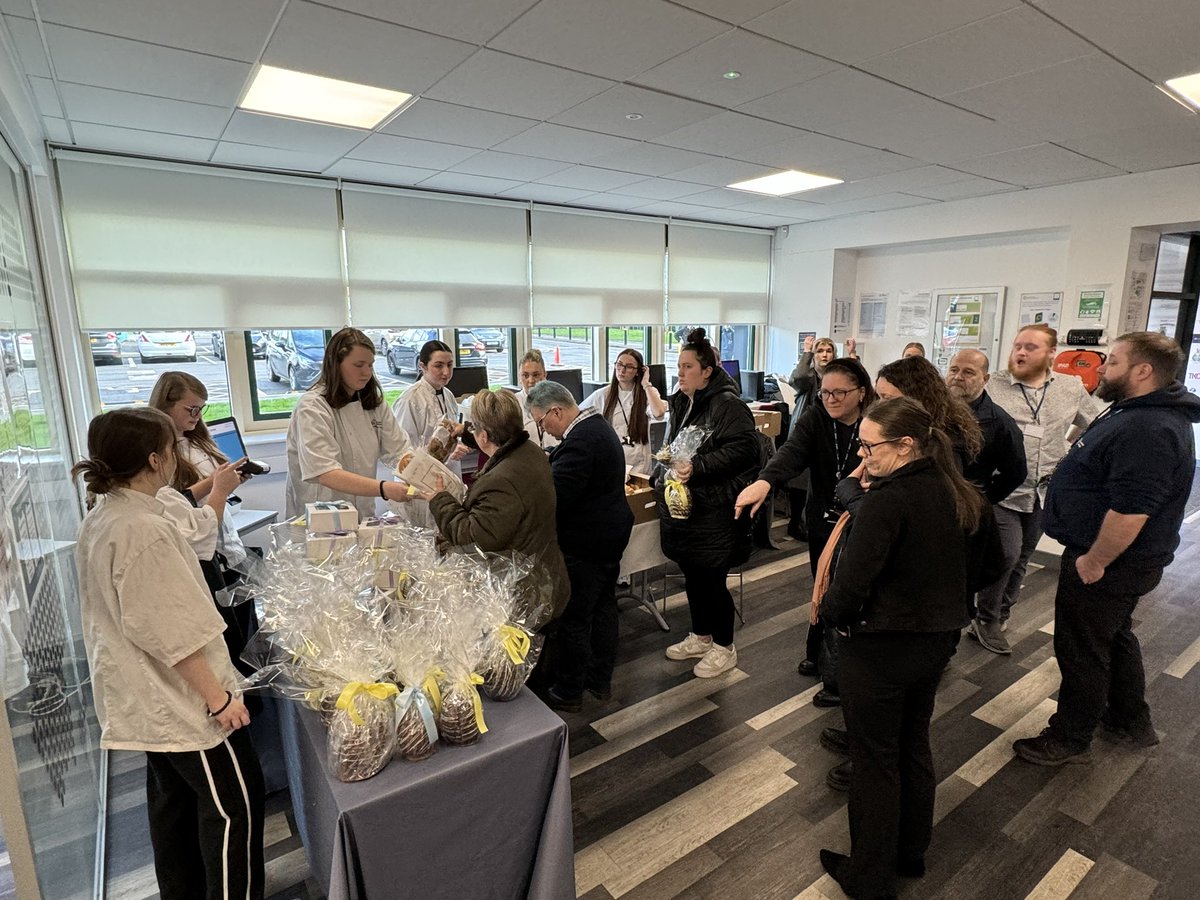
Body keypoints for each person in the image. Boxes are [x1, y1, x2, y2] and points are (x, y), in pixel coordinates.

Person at [73, 407, 264, 900]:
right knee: (232, 811)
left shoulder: (110, 515)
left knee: (173, 810)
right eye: (172, 449)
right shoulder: (141, 531)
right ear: (155, 458)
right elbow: (169, 632)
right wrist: (219, 699)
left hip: (149, 700)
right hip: (184, 704)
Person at [816, 397, 996, 900]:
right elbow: (991, 565)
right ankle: (911, 852)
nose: (863, 455)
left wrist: (833, 618)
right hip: (935, 642)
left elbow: (848, 589)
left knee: (874, 762)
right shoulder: (964, 493)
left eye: (870, 446)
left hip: (879, 649)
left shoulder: (888, 502)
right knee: (913, 744)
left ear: (906, 445)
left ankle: (869, 877)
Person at [1014, 333, 1200, 766]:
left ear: (1142, 371)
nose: (1100, 369)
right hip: (1115, 560)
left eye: (1111, 362)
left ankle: (1071, 737)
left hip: (1110, 562)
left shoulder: (1149, 428)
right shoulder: (1138, 412)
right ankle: (1128, 717)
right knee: (1113, 638)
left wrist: (1095, 561)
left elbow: (1131, 510)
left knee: (1081, 649)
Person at [735, 358, 876, 693]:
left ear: (861, 393)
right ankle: (816, 651)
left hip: (861, 522)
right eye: (825, 393)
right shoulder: (815, 419)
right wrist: (766, 481)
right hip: (822, 518)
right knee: (822, 586)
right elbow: (792, 453)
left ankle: (837, 669)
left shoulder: (875, 424)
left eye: (839, 393)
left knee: (848, 593)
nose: (831, 399)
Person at [972, 324, 1102, 654]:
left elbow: (1097, 421)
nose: (1021, 352)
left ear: (1050, 354)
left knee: (1023, 556)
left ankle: (1001, 614)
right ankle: (985, 618)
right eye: (1018, 345)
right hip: (1003, 487)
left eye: (1031, 347)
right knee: (1006, 554)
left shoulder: (1070, 387)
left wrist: (1074, 447)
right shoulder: (995, 385)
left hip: (1044, 489)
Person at [659, 329, 761, 680]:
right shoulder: (684, 401)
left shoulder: (727, 404)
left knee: (712, 580)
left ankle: (724, 646)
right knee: (693, 575)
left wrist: (698, 467)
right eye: (679, 366)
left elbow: (747, 450)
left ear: (708, 370)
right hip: (690, 508)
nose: (680, 373)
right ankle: (701, 636)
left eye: (688, 367)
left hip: (716, 509)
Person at [527, 380, 633, 711]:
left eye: (542, 423)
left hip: (586, 542)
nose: (545, 430)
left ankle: (568, 690)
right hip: (609, 536)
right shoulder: (596, 426)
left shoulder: (580, 443)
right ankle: (599, 680)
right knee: (603, 607)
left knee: (575, 618)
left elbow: (557, 499)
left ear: (556, 411)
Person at [421, 389, 570, 618]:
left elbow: (471, 537)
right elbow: (501, 444)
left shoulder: (500, 482)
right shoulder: (531, 451)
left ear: (484, 436)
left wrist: (440, 499)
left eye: (474, 428)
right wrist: (466, 434)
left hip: (522, 595)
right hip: (545, 575)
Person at [285, 327, 415, 521]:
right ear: (335, 364)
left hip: (361, 513)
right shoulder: (312, 407)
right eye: (359, 365)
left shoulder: (373, 404)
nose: (366, 373)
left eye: (370, 365)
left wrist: (423, 471)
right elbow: (326, 472)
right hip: (320, 518)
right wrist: (384, 488)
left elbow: (400, 450)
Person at [149, 371, 250, 569]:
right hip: (200, 552)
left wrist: (229, 482)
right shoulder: (160, 453)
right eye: (192, 409)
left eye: (201, 409)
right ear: (166, 405)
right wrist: (216, 484)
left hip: (226, 544)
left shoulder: (197, 440)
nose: (198, 416)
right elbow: (174, 503)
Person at [392, 339, 470, 528]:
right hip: (420, 482)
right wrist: (434, 452)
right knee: (423, 538)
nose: (446, 372)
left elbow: (448, 435)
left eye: (450, 365)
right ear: (422, 366)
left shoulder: (448, 395)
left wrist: (454, 448)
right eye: (438, 366)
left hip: (446, 477)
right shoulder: (410, 399)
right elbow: (402, 451)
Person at [944, 349, 1027, 505]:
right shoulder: (930, 409)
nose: (957, 377)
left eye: (968, 372)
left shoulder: (999, 423)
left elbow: (1016, 473)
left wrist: (982, 500)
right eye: (954, 370)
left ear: (985, 379)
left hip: (965, 509)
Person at [875, 355, 983, 470]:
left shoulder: (943, 446)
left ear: (915, 398)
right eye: (878, 397)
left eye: (887, 398)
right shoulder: (904, 429)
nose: (878, 406)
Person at [580, 347, 667, 475]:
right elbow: (578, 415)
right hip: (613, 462)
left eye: (629, 366)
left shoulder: (646, 393)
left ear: (638, 371)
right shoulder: (604, 394)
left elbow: (659, 412)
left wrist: (646, 384)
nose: (622, 370)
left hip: (639, 465)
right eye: (619, 364)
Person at [515, 349, 559, 451]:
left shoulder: (558, 401)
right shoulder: (514, 404)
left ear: (545, 375)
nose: (531, 381)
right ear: (519, 377)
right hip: (527, 461)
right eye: (525, 375)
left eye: (536, 375)